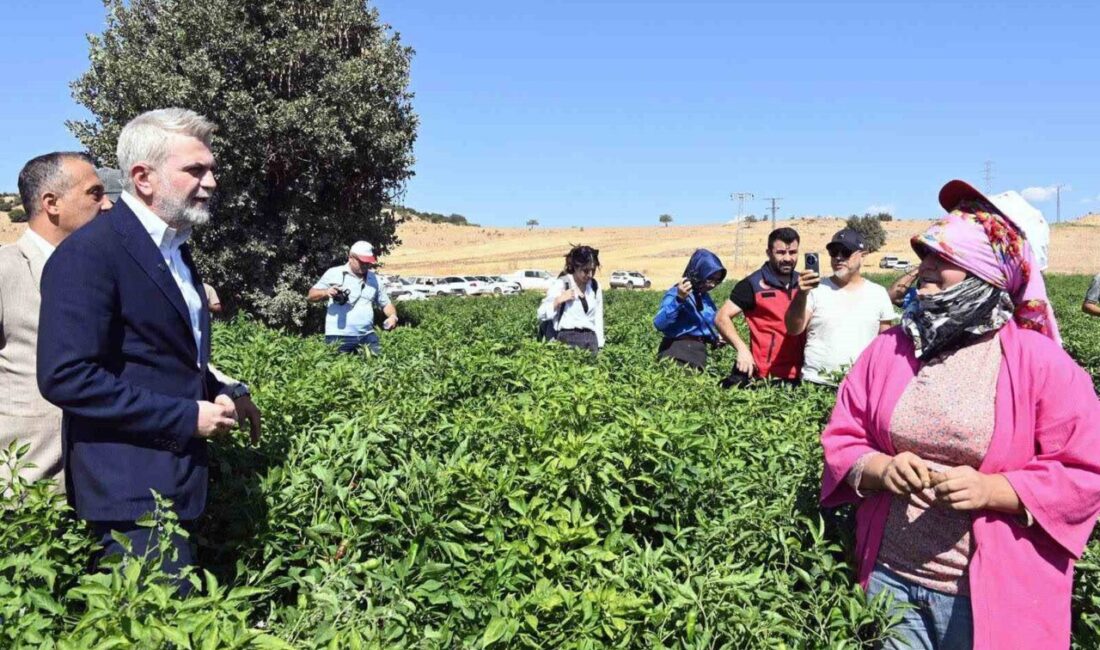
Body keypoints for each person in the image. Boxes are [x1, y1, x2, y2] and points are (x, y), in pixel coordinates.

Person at [820, 179, 1092, 649]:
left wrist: (995, 489)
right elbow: (844, 434)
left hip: (991, 596)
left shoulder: (1040, 363)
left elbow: (1086, 471)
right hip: (891, 583)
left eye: (944, 260)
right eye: (926, 255)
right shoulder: (892, 348)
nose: (926, 267)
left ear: (985, 275)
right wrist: (881, 469)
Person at [37, 108, 252, 592]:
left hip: (175, 481)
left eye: (212, 169)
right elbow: (65, 376)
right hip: (130, 490)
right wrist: (185, 418)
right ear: (143, 178)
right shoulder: (92, 253)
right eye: (195, 170)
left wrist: (225, 388)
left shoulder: (174, 249)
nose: (212, 182)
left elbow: (165, 351)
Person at [1, 152, 111, 490]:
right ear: (52, 203)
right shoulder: (7, 270)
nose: (107, 205)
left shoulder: (107, 274)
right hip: (29, 488)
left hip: (105, 483)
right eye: (95, 193)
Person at [785, 228, 895, 385]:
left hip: (860, 385)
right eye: (834, 252)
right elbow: (793, 329)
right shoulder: (815, 289)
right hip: (815, 383)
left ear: (862, 255)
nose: (838, 258)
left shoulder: (878, 294)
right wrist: (801, 294)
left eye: (846, 252)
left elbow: (886, 343)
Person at [715, 227, 804, 386]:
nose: (787, 258)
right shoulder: (753, 284)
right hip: (767, 375)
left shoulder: (804, 283)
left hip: (803, 372)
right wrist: (742, 349)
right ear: (769, 253)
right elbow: (722, 317)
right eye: (781, 252)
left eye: (792, 252)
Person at [308, 241, 397, 355]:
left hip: (367, 335)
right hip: (338, 336)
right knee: (337, 370)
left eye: (368, 263)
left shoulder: (374, 279)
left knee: (379, 366)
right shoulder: (333, 273)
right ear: (350, 258)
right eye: (362, 262)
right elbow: (311, 295)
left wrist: (393, 317)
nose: (365, 265)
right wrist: (326, 292)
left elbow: (386, 304)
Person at [653, 249, 726, 370]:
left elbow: (702, 326)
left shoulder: (704, 297)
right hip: (676, 354)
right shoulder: (676, 293)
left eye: (717, 281)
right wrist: (679, 299)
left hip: (697, 355)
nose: (713, 285)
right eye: (710, 279)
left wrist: (715, 338)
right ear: (698, 274)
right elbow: (659, 323)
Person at [537, 245, 605, 355]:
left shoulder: (595, 286)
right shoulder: (562, 284)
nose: (590, 275)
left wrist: (600, 344)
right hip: (567, 340)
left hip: (591, 340)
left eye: (593, 270)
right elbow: (541, 313)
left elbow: (598, 317)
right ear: (575, 267)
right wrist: (558, 300)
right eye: (586, 270)